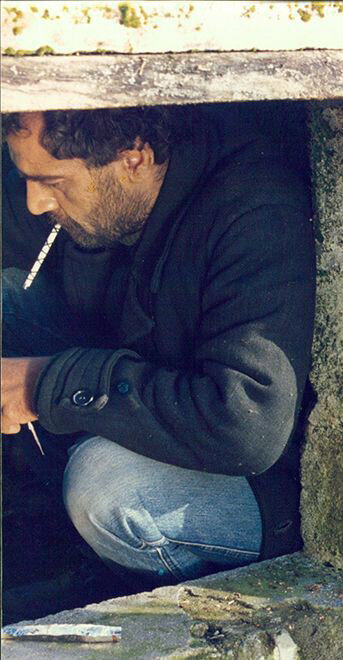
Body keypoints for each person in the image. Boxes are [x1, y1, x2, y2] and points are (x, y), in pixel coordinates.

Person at [1, 105, 315, 618]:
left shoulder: (256, 211)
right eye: (27, 179)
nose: (36, 202)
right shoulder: (113, 195)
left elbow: (246, 425)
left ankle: (177, 608)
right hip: (148, 393)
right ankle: (47, 522)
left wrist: (40, 384)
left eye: (51, 182)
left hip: (263, 484)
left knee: (106, 489)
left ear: (133, 157)